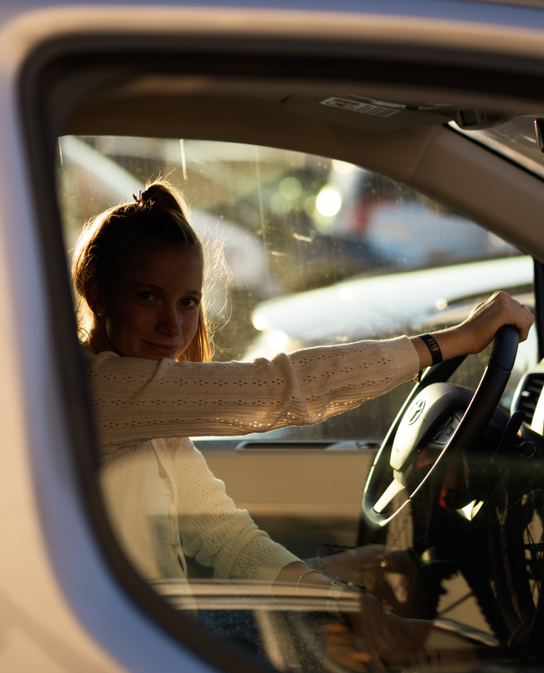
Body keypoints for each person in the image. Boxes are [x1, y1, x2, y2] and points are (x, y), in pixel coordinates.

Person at [74, 181, 534, 671]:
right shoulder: (100, 387)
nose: (173, 324)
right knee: (457, 656)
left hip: (164, 621)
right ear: (99, 296)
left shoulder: (146, 396)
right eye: (149, 297)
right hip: (135, 641)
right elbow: (279, 390)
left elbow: (224, 535)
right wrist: (451, 341)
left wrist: (342, 594)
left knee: (387, 577)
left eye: (187, 302)